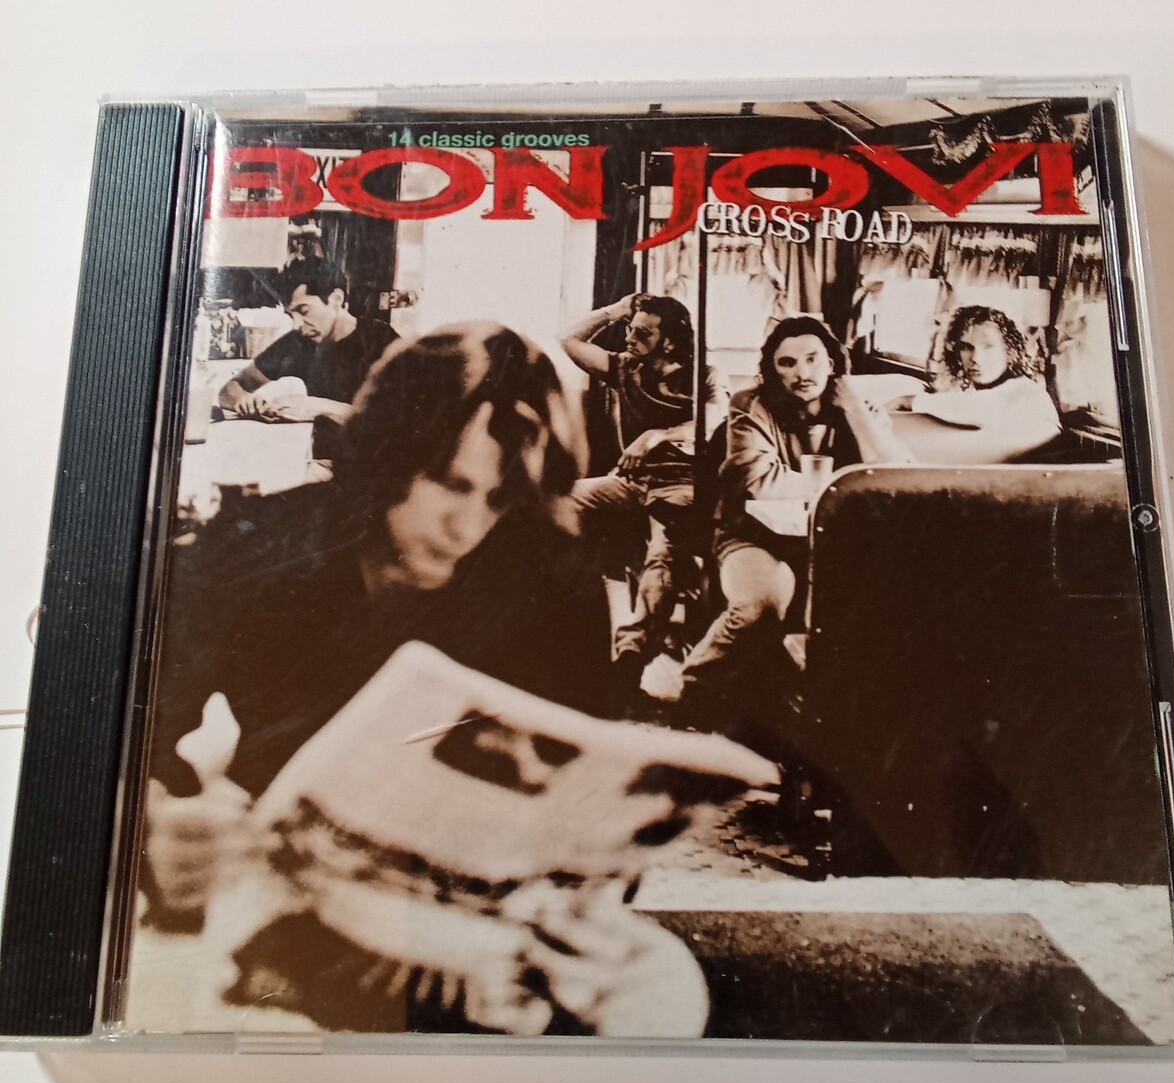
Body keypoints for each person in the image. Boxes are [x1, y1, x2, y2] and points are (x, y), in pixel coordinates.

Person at [142, 322, 770, 1038]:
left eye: (499, 499)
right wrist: (158, 826)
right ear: (386, 455)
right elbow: (135, 729)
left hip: (482, 912)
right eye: (451, 484)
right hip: (290, 884)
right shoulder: (263, 543)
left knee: (660, 992)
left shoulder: (546, 574)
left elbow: (583, 785)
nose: (468, 526)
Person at [673, 316, 911, 704]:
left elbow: (894, 476)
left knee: (887, 600)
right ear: (773, 370)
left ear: (831, 363)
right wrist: (846, 489)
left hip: (835, 541)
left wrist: (854, 410)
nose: (802, 373)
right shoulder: (750, 405)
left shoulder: (859, 407)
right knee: (762, 601)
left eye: (813, 359)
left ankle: (824, 703)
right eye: (788, 363)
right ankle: (694, 690)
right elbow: (758, 482)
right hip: (751, 536)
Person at [561, 293, 725, 674]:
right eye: (630, 330)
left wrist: (655, 436)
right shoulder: (625, 367)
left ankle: (632, 653)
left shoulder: (704, 375)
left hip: (681, 484)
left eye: (643, 334)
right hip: (630, 481)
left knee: (662, 555)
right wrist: (615, 311)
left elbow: (714, 422)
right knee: (556, 501)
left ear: (668, 342)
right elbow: (567, 339)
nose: (630, 339)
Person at [217, 257, 398, 455]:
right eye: (290, 315)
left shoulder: (381, 339)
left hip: (375, 462)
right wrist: (245, 401)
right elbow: (230, 388)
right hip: (322, 459)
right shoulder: (298, 342)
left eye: (304, 311)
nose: (297, 325)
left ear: (336, 299)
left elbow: (399, 420)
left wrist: (318, 406)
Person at [907, 305, 1062, 461]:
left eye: (988, 346)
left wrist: (910, 401)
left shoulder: (1026, 391)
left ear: (1010, 351)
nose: (976, 358)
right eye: (966, 347)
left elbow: (982, 405)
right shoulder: (978, 395)